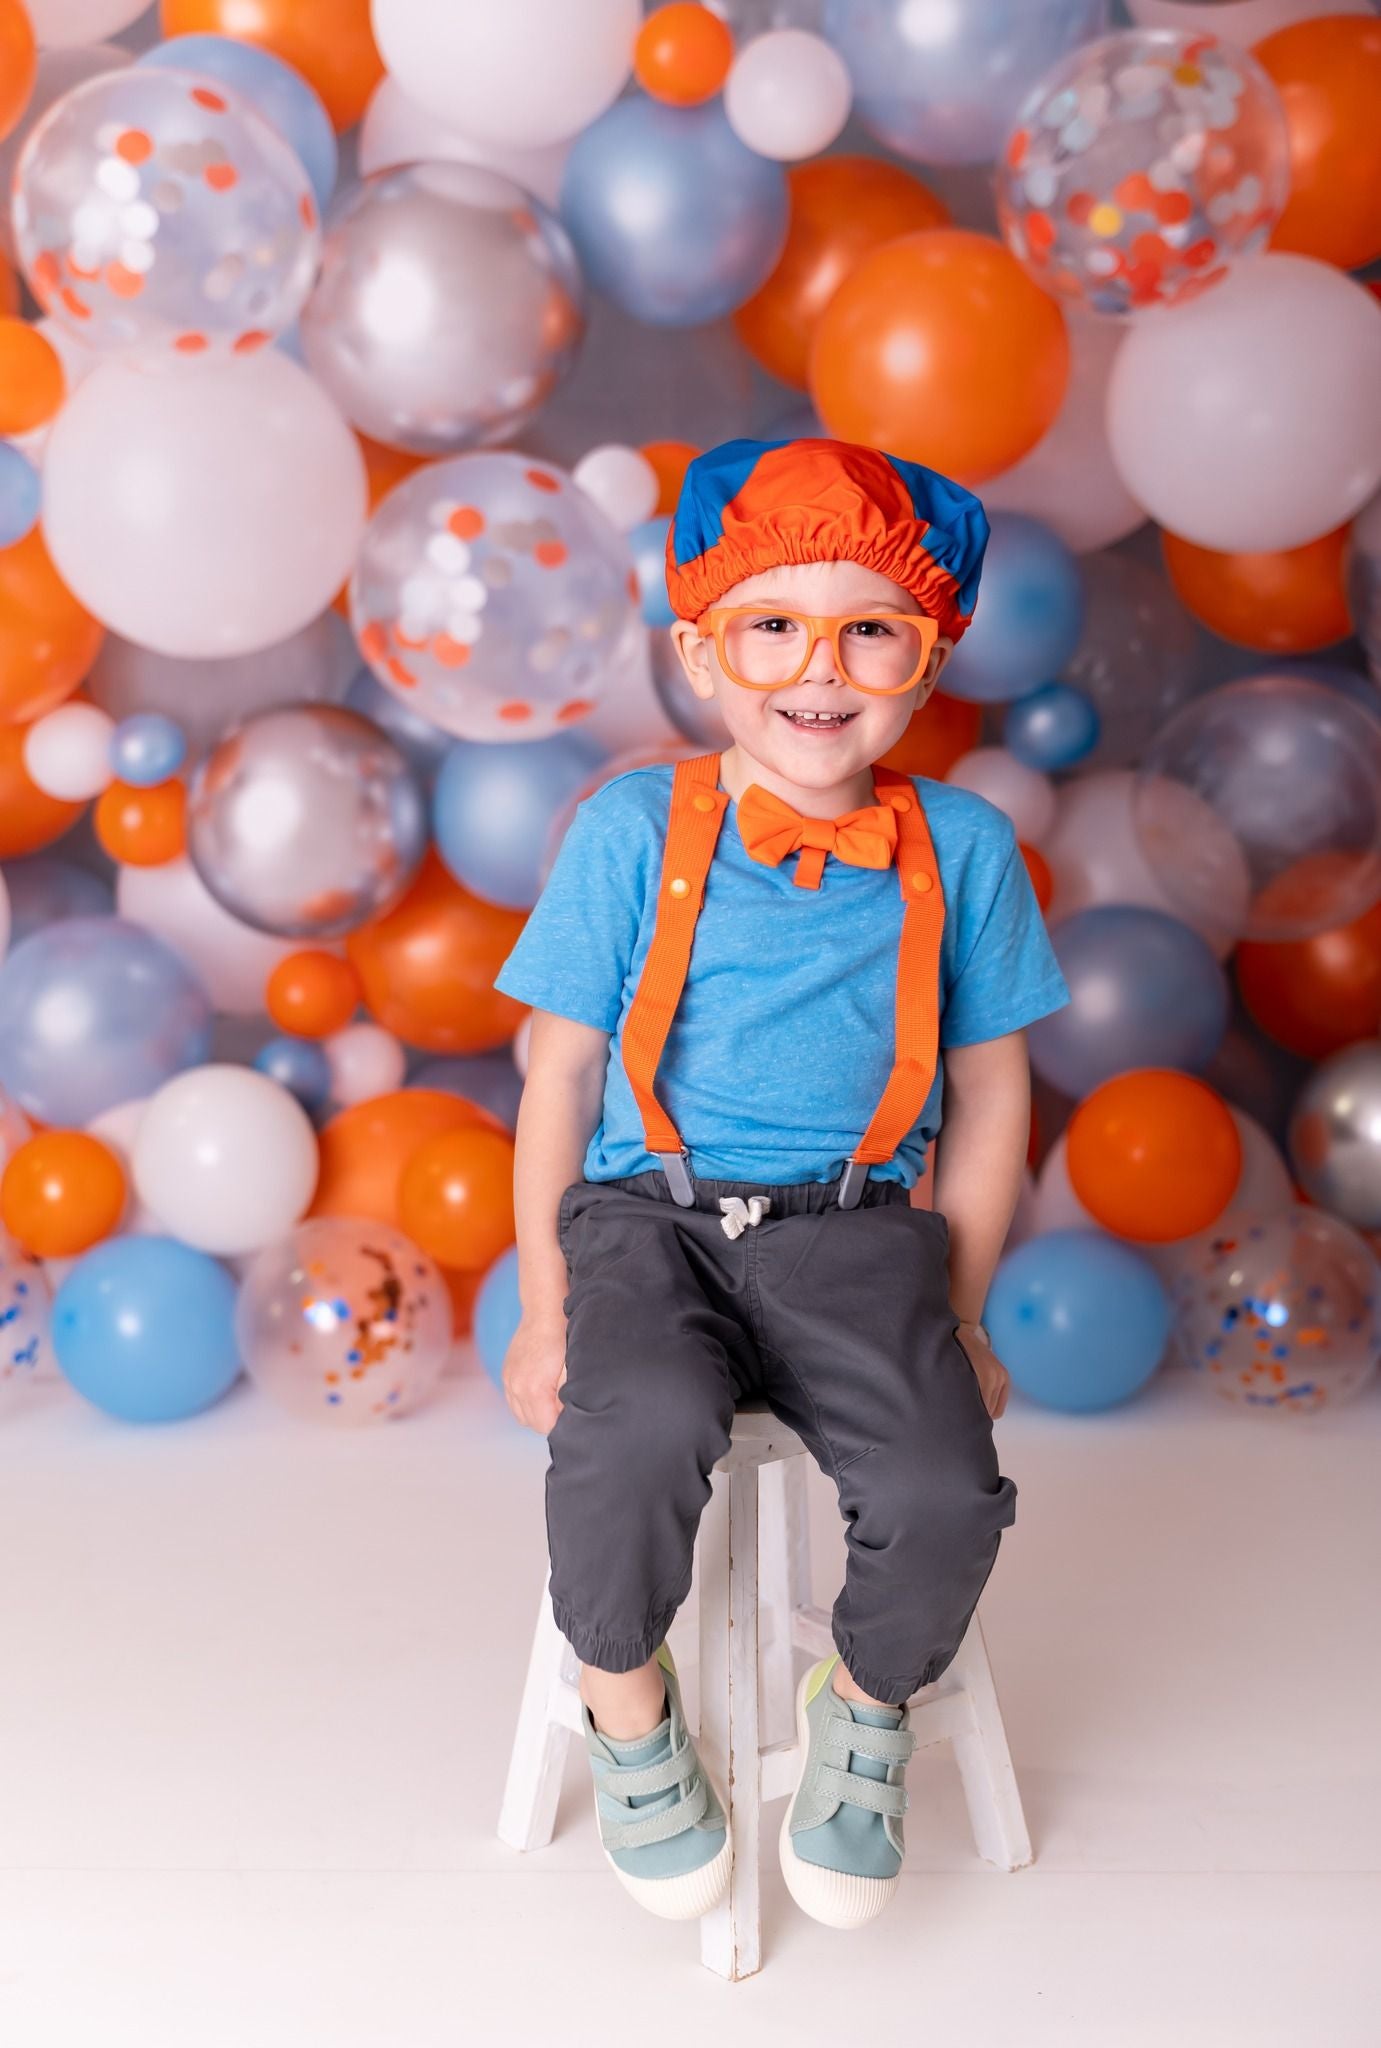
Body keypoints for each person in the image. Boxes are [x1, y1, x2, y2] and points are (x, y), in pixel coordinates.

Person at [492, 437, 1071, 1932]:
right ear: (699, 652)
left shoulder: (964, 847)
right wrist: (548, 1310)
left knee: (948, 1487)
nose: (821, 671)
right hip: (648, 1225)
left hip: (857, 1229)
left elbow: (995, 1089)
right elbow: (557, 1078)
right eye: (773, 626)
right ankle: (626, 1704)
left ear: (926, 658)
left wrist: (965, 1309)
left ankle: (864, 1699)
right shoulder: (630, 828)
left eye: (867, 628)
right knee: (634, 1435)